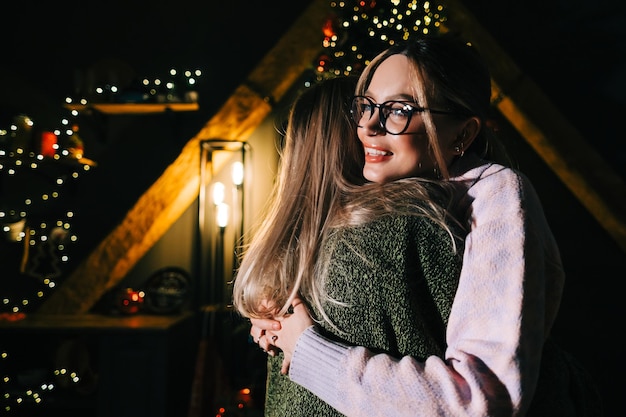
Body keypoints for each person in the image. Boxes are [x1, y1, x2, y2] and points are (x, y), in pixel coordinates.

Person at [250, 33, 601, 416]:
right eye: (366, 106)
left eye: (399, 110)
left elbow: (480, 399)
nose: (369, 126)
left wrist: (311, 351)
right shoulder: (395, 195)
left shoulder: (497, 194)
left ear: (463, 134)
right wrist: (275, 310)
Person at [232, 74, 470, 417]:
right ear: (353, 134)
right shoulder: (415, 222)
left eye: (394, 112)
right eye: (366, 110)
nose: (376, 124)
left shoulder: (282, 254)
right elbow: (492, 367)